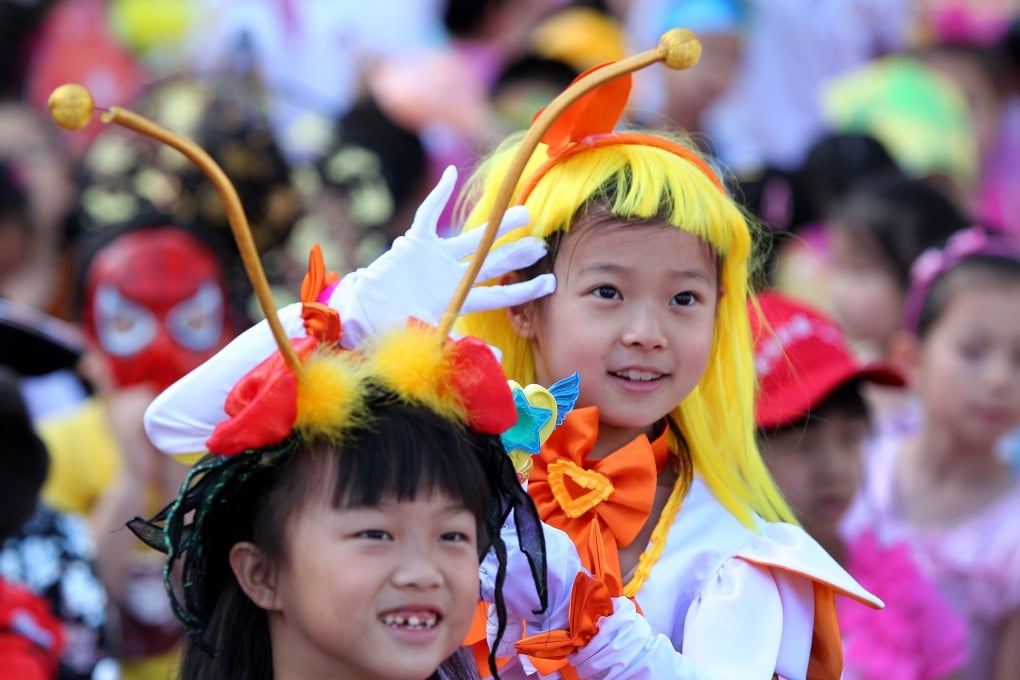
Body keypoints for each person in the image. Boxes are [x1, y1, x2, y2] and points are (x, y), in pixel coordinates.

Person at [431, 52, 879, 677]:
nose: (648, 334)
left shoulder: (736, 555)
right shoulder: (436, 479)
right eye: (609, 292)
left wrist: (606, 638)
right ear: (524, 302)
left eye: (684, 299)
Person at [751, 290, 967, 680]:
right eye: (802, 442)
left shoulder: (904, 589)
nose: (833, 469)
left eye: (850, 436)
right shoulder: (718, 593)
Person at [844, 226, 1020, 680]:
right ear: (911, 358)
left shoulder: (1011, 535)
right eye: (973, 350)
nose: (1000, 379)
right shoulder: (862, 460)